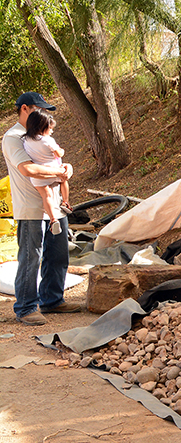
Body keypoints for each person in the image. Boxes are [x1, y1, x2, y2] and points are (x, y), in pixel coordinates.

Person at [2, 92, 81, 326]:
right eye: (39, 109)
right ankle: (26, 307)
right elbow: (28, 170)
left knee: (58, 255)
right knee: (31, 257)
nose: (44, 114)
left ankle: (52, 300)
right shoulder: (14, 137)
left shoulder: (40, 133)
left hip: (54, 206)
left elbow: (55, 160)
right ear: (24, 109)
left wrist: (67, 168)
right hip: (31, 209)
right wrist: (60, 172)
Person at [22, 109, 71, 235]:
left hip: (38, 176)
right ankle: (66, 202)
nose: (51, 131)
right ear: (42, 127)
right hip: (54, 171)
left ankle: (53, 219)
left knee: (46, 195)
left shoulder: (26, 140)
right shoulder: (47, 140)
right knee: (64, 181)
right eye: (50, 128)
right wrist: (62, 150)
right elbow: (58, 153)